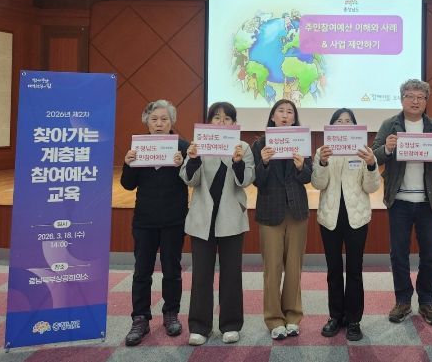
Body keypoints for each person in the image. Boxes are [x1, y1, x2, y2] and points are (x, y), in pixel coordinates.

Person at [372, 79, 432, 326]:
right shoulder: (390, 125)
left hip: (428, 201)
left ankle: (427, 302)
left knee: (430, 255)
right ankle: (403, 301)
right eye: (410, 96)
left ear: (426, 101)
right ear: (402, 99)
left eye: (420, 97)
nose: (415, 101)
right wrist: (387, 149)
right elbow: (374, 156)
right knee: (399, 254)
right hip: (399, 200)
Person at [181, 102, 255, 345]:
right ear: (209, 121)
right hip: (203, 217)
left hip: (231, 217)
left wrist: (237, 162)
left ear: (234, 123)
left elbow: (246, 180)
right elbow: (189, 179)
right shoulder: (198, 144)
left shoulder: (242, 147)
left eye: (227, 118)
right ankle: (199, 326)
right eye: (216, 117)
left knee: (231, 274)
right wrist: (193, 160)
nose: (222, 122)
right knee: (201, 275)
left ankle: (231, 325)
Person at [120, 100, 188, 346]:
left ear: (172, 122)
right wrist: (128, 163)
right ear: (146, 122)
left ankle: (171, 314)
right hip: (145, 220)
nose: (159, 124)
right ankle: (140, 318)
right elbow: (128, 184)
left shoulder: (183, 147)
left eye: (164, 119)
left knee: (172, 271)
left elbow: (192, 180)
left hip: (173, 219)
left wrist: (184, 164)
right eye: (154, 119)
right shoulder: (138, 146)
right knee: (142, 272)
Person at [312, 108, 381, 341]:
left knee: (354, 270)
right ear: (331, 126)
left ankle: (353, 320)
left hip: (356, 218)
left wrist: (371, 165)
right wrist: (322, 162)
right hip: (330, 218)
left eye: (348, 121)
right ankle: (335, 316)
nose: (343, 124)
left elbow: (372, 187)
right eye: (338, 121)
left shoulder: (365, 152)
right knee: (333, 270)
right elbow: (318, 184)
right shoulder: (323, 151)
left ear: (355, 126)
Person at [251, 99, 313, 340]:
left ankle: (293, 316)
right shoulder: (260, 144)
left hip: (297, 211)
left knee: (294, 268)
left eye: (290, 112)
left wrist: (300, 167)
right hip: (270, 211)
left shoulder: (301, 141)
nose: (285, 115)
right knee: (272, 268)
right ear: (272, 116)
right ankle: (274, 319)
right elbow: (257, 180)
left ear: (294, 118)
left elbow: (308, 177)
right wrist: (264, 162)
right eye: (281, 111)